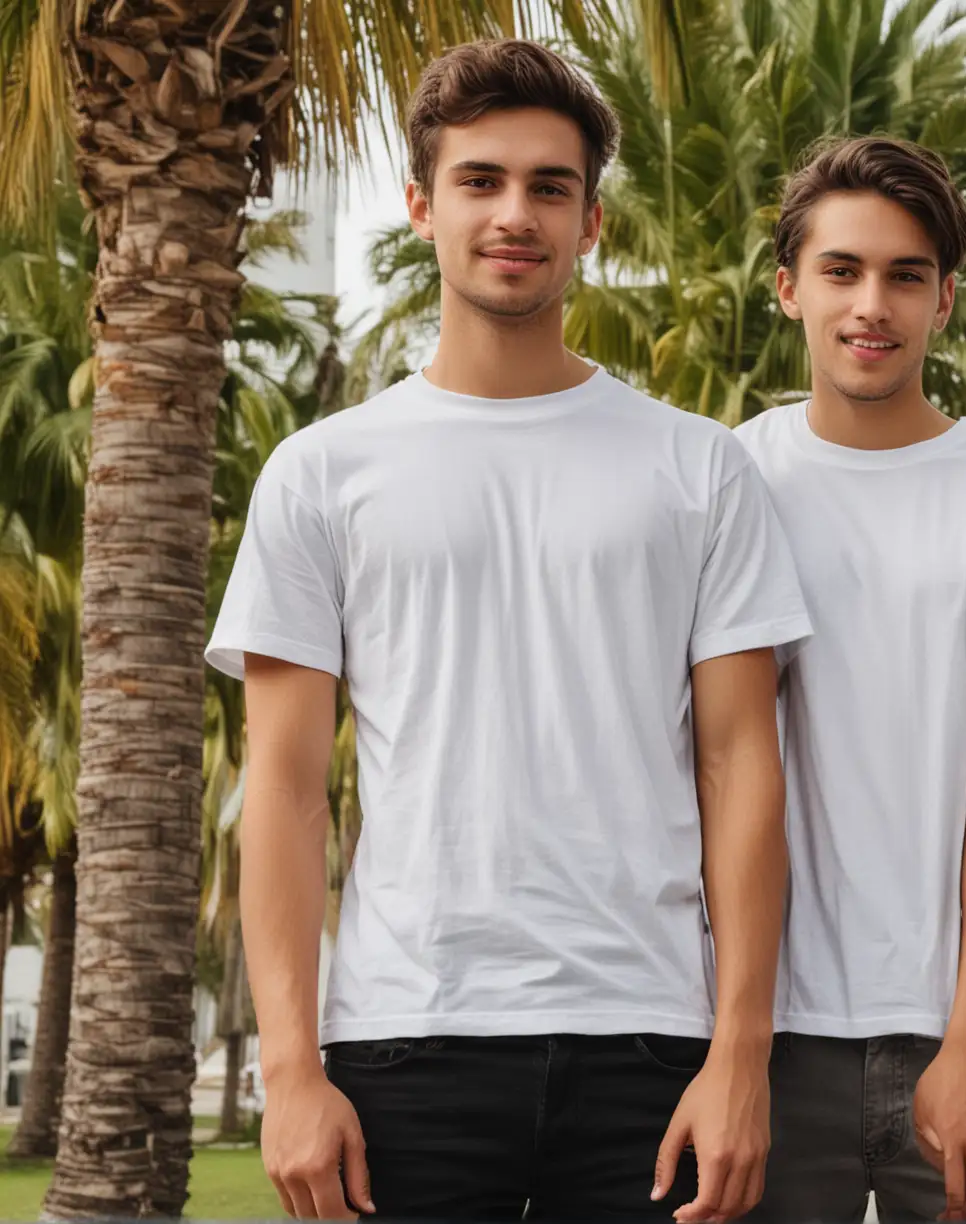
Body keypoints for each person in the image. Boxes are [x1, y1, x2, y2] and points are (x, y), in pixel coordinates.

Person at [211, 40, 811, 1222]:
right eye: (481, 181)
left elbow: (744, 766)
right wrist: (288, 1072)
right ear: (421, 206)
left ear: (591, 221)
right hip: (404, 1042)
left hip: (649, 1042)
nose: (514, 214)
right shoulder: (321, 473)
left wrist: (740, 1055)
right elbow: (280, 788)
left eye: (550, 186)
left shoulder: (700, 467)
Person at [733, 135, 966, 1223]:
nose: (871, 304)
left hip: (947, 1028)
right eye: (842, 270)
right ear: (788, 286)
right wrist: (731, 1045)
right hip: (756, 1034)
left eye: (905, 276)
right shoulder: (728, 479)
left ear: (945, 300)